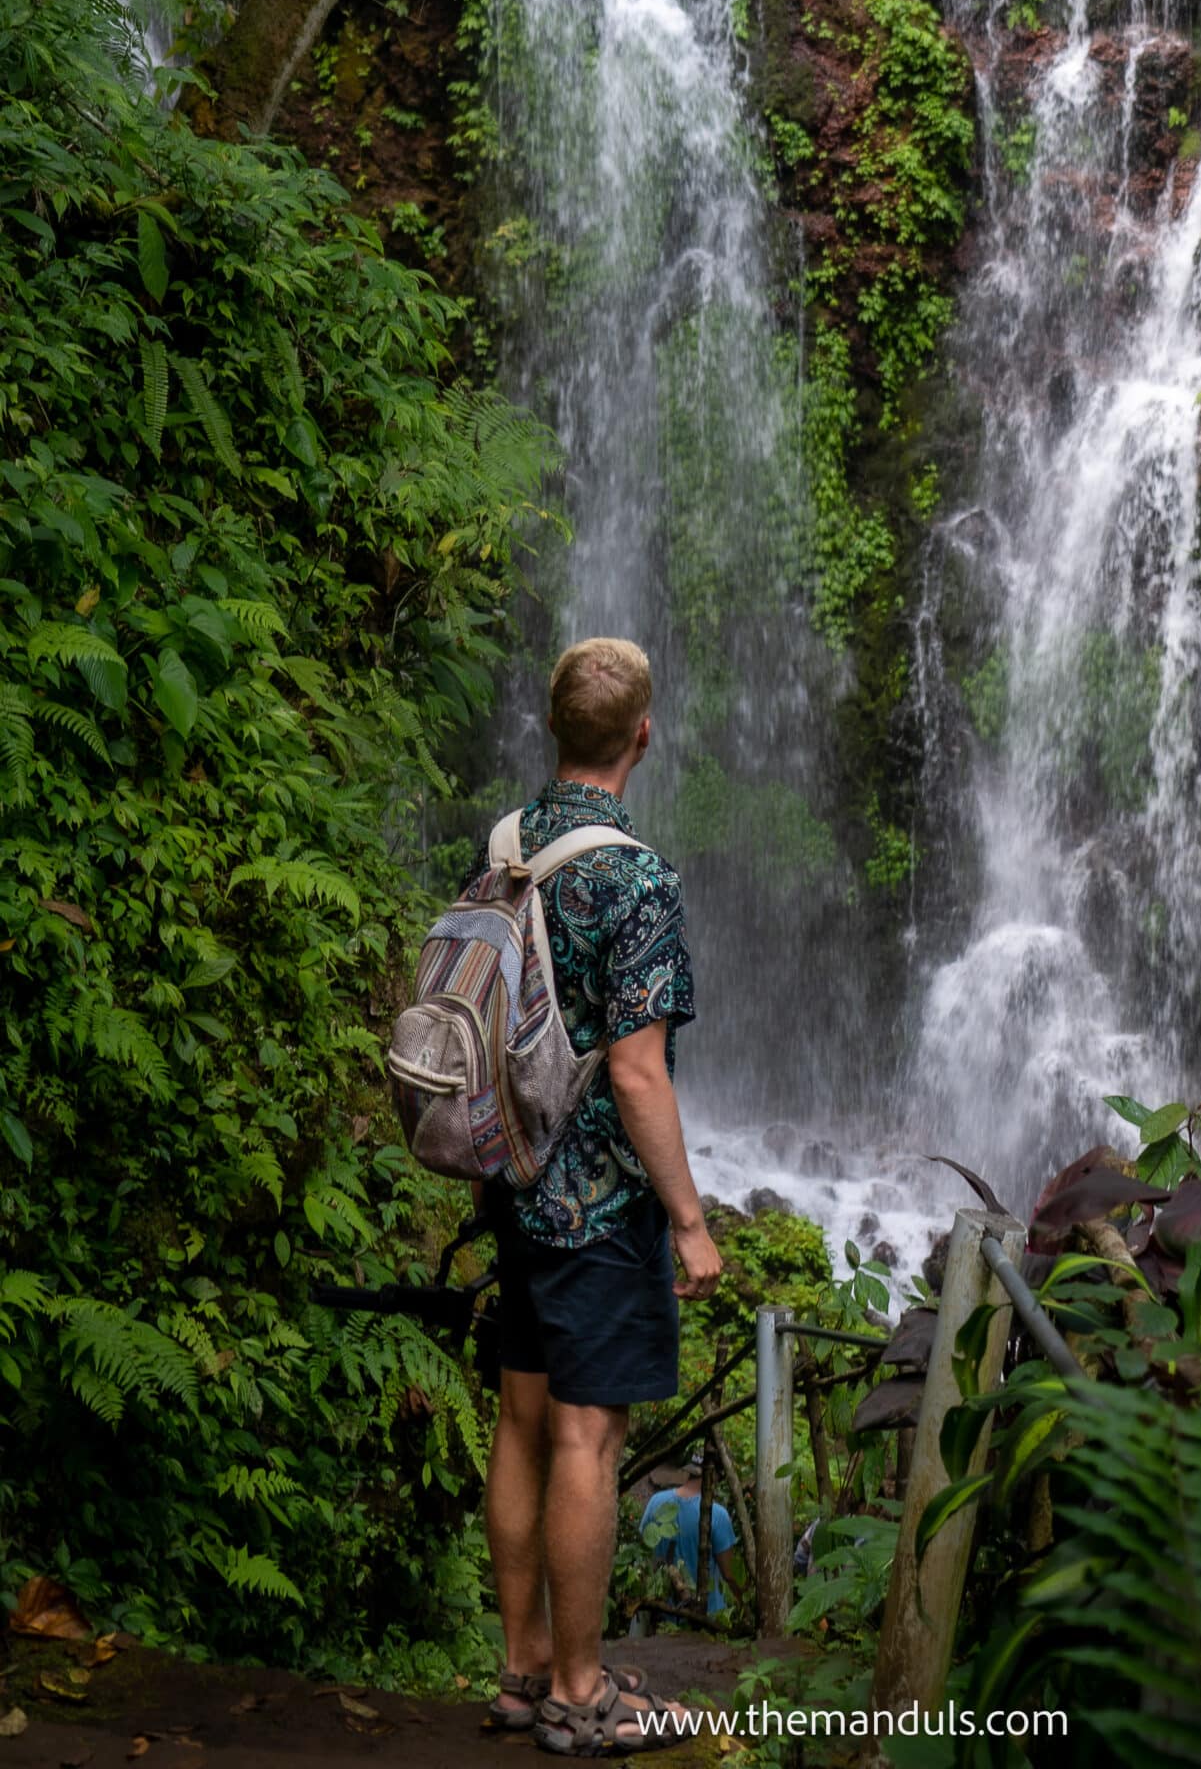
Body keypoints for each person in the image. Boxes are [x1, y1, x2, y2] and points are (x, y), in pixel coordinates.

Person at [477, 638, 721, 1758]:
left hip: (510, 1183)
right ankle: (583, 1692)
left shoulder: (502, 847)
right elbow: (635, 1068)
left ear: (552, 726)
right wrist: (687, 1216)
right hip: (594, 1206)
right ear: (641, 732)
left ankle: (524, 1665)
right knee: (586, 1435)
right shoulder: (635, 876)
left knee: (521, 1422)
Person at [640, 1464, 740, 1616]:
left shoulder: (656, 1502)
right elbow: (729, 1574)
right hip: (707, 1618)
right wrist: (744, 1604)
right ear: (715, 1477)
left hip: (660, 1612)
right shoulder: (718, 1515)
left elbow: (644, 1552)